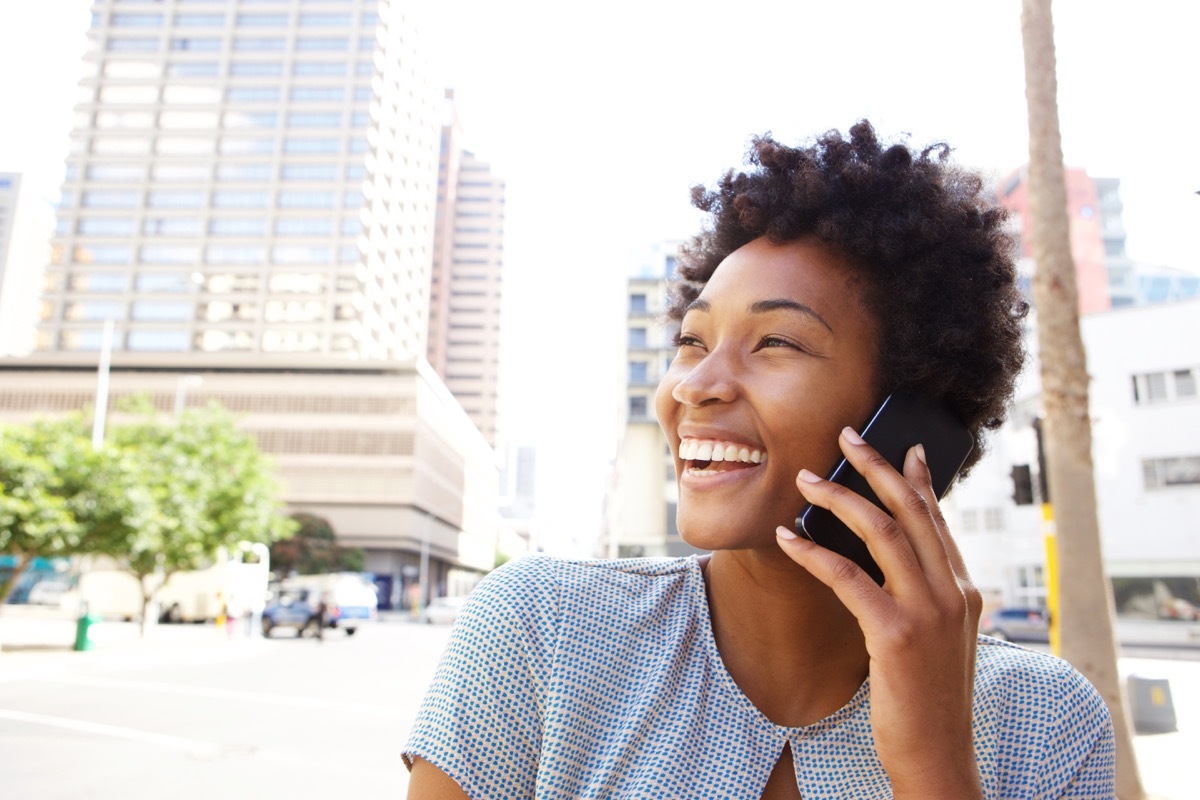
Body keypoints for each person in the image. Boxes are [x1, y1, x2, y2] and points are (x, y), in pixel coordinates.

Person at [402, 121, 1116, 798]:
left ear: (909, 416)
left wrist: (935, 765)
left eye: (777, 342)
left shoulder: (1046, 721)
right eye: (692, 341)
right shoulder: (540, 627)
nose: (696, 385)